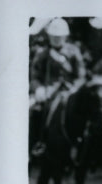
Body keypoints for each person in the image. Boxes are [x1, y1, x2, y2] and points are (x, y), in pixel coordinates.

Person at [29, 17, 86, 157]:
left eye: (60, 36)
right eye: (54, 36)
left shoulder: (73, 52)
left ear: (66, 36)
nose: (57, 39)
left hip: (70, 91)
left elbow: (81, 75)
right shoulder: (43, 54)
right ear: (49, 36)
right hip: (50, 92)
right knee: (35, 112)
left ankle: (82, 143)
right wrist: (39, 89)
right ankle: (38, 142)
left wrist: (75, 88)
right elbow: (35, 76)